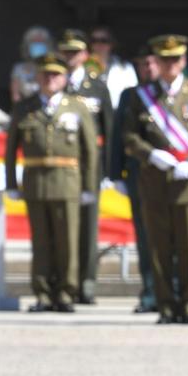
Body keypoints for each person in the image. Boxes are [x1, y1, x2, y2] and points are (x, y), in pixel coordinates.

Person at [124, 34, 188, 324]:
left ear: (183, 61)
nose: (170, 65)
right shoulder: (140, 95)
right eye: (164, 59)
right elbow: (129, 136)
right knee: (159, 245)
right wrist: (151, 154)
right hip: (154, 178)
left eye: (175, 59)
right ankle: (166, 304)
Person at [4, 56, 99, 313]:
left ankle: (67, 292)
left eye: (56, 75)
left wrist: (90, 187)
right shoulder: (25, 108)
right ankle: (43, 294)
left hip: (68, 182)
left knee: (68, 241)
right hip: (36, 182)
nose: (50, 80)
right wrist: (11, 182)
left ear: (64, 79)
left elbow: (90, 150)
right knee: (41, 242)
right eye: (45, 75)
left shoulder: (77, 107)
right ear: (37, 78)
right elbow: (11, 148)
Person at [60, 29, 111, 304]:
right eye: (66, 52)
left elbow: (108, 128)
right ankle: (64, 281)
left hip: (90, 166)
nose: (70, 57)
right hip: (62, 166)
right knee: (63, 227)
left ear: (85, 55)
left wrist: (110, 170)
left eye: (75, 52)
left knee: (88, 227)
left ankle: (87, 282)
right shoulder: (55, 82)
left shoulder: (96, 85)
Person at [112, 47, 161, 314]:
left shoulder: (173, 94)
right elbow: (118, 135)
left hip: (169, 177)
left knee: (173, 237)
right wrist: (114, 172)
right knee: (145, 237)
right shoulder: (130, 95)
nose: (149, 69)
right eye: (144, 64)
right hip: (139, 175)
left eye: (154, 63)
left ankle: (173, 289)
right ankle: (151, 292)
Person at [89, 27, 135, 108]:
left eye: (104, 41)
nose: (99, 44)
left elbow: (132, 94)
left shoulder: (125, 67)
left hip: (116, 114)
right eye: (94, 40)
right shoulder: (82, 66)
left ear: (112, 44)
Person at [8, 24, 52, 104]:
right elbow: (15, 97)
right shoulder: (18, 69)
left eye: (41, 42)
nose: (38, 45)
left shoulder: (53, 68)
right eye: (34, 42)